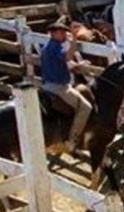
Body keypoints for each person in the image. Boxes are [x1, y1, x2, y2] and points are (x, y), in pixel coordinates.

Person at [40, 19, 93, 155]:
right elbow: (68, 56)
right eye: (62, 32)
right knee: (86, 107)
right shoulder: (56, 47)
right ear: (54, 33)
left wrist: (78, 65)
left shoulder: (46, 47)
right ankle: (72, 140)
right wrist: (74, 39)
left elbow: (64, 62)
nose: (64, 35)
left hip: (47, 85)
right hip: (59, 87)